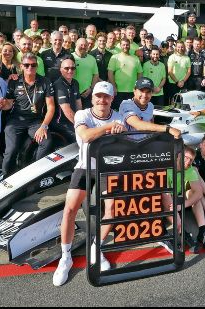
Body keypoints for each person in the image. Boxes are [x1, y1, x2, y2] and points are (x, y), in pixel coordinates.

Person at [53, 82, 126, 286]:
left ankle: (97, 247)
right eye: (99, 96)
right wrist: (109, 128)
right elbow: (86, 136)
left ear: (112, 99)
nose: (102, 100)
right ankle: (65, 256)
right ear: (92, 97)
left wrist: (118, 132)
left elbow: (121, 145)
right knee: (70, 209)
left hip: (108, 168)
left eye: (106, 97)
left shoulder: (119, 116)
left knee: (112, 210)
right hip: (85, 166)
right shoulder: (82, 115)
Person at [2, 53, 55, 176]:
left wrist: (44, 126)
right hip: (16, 121)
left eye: (33, 65)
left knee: (46, 142)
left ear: (37, 66)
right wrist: (1, 105)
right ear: (21, 66)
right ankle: (6, 177)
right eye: (26, 65)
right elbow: (9, 104)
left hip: (36, 122)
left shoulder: (45, 81)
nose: (30, 68)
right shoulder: (14, 81)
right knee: (11, 150)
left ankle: (35, 173)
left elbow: (51, 107)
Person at [51, 58, 81, 145]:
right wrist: (80, 124)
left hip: (72, 120)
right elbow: (67, 110)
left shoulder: (75, 82)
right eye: (66, 68)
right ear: (61, 70)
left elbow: (78, 104)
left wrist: (82, 119)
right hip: (61, 122)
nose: (70, 70)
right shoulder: (58, 85)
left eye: (73, 68)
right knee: (81, 136)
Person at [107, 38, 143, 106]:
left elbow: (140, 73)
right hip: (118, 91)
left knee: (131, 112)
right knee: (118, 112)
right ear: (120, 46)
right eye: (123, 45)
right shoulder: (115, 57)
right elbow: (110, 72)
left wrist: (138, 87)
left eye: (127, 45)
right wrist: (114, 86)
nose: (125, 46)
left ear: (129, 46)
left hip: (132, 91)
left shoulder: (135, 58)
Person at [72, 38, 99, 108]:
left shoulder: (92, 59)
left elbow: (96, 75)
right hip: (72, 92)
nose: (83, 47)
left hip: (87, 93)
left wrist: (91, 88)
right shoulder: (70, 57)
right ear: (76, 45)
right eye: (81, 45)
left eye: (85, 45)